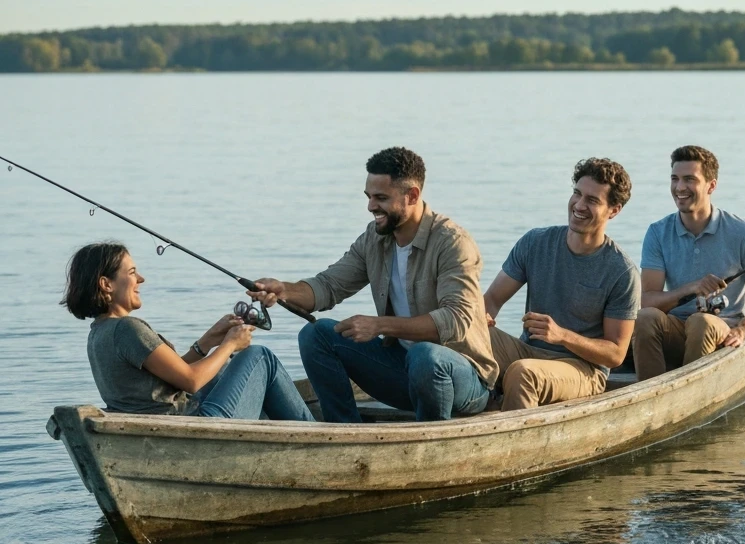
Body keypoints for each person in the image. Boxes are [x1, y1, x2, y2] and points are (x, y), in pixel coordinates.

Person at [251, 147, 498, 423]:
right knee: (315, 334)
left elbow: (455, 320)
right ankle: (343, 434)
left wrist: (379, 325)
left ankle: (431, 441)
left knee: (425, 355)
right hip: (403, 372)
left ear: (412, 195)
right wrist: (285, 290)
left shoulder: (453, 242)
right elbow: (328, 286)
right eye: (368, 197)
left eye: (381, 198)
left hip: (464, 380)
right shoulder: (375, 238)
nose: (370, 207)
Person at [62, 241, 315, 421]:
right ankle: (313, 435)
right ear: (106, 285)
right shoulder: (127, 329)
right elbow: (191, 381)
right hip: (195, 425)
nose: (141, 279)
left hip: (165, 422)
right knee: (260, 357)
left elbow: (169, 377)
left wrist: (207, 342)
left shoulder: (100, 332)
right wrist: (229, 344)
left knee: (229, 369)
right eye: (131, 272)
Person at [483, 158, 640, 411]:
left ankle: (513, 444)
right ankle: (477, 408)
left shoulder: (622, 272)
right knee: (463, 332)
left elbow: (615, 354)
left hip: (582, 369)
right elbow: (491, 300)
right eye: (577, 194)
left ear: (614, 210)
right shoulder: (535, 242)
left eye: (592, 200)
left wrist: (562, 336)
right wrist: (481, 318)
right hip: (528, 350)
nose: (579, 205)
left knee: (523, 373)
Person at [633, 145, 745, 380]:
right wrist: (691, 288)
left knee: (701, 322)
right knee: (645, 318)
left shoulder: (742, 231)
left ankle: (688, 396)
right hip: (677, 327)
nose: (680, 187)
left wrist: (743, 329)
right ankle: (648, 393)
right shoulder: (658, 232)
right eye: (675, 179)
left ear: (711, 185)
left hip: (721, 329)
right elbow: (648, 300)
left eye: (690, 179)